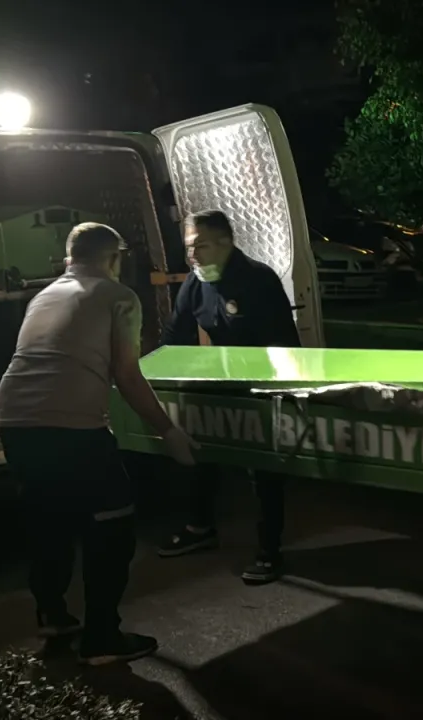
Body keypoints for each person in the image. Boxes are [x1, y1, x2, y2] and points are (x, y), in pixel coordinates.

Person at [0, 222, 198, 666]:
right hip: (69, 425)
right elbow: (127, 375)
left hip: (14, 420)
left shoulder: (43, 295)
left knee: (48, 518)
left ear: (69, 258)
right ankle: (102, 637)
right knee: (112, 524)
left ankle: (53, 617)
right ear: (114, 258)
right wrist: (168, 430)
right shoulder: (118, 297)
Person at [157, 209, 300, 585]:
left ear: (226, 243)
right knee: (201, 454)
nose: (192, 255)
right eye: (189, 247)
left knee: (263, 472)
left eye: (200, 246)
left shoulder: (258, 279)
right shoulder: (196, 281)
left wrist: (282, 396)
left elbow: (284, 345)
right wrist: (156, 376)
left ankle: (269, 550)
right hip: (219, 385)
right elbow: (175, 334)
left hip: (260, 387)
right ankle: (200, 527)